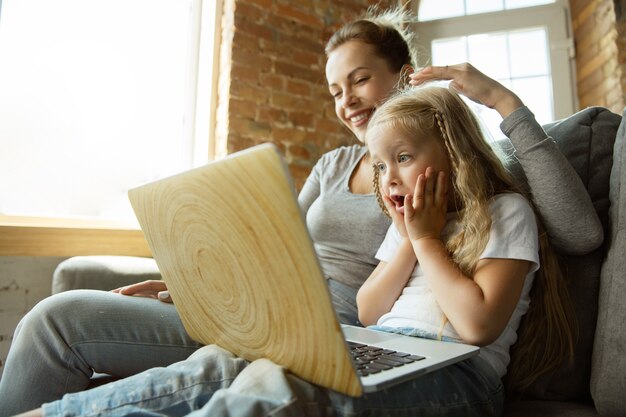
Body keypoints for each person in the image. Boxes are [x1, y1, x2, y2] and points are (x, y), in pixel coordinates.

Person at [0, 6, 599, 416]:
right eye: (334, 91)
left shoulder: (468, 188)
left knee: (263, 386)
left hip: (360, 337)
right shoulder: (340, 170)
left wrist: (500, 102)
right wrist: (194, 285)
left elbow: (573, 234)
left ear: (408, 77)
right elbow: (272, 255)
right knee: (58, 321)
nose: (345, 102)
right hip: (305, 326)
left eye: (360, 80)